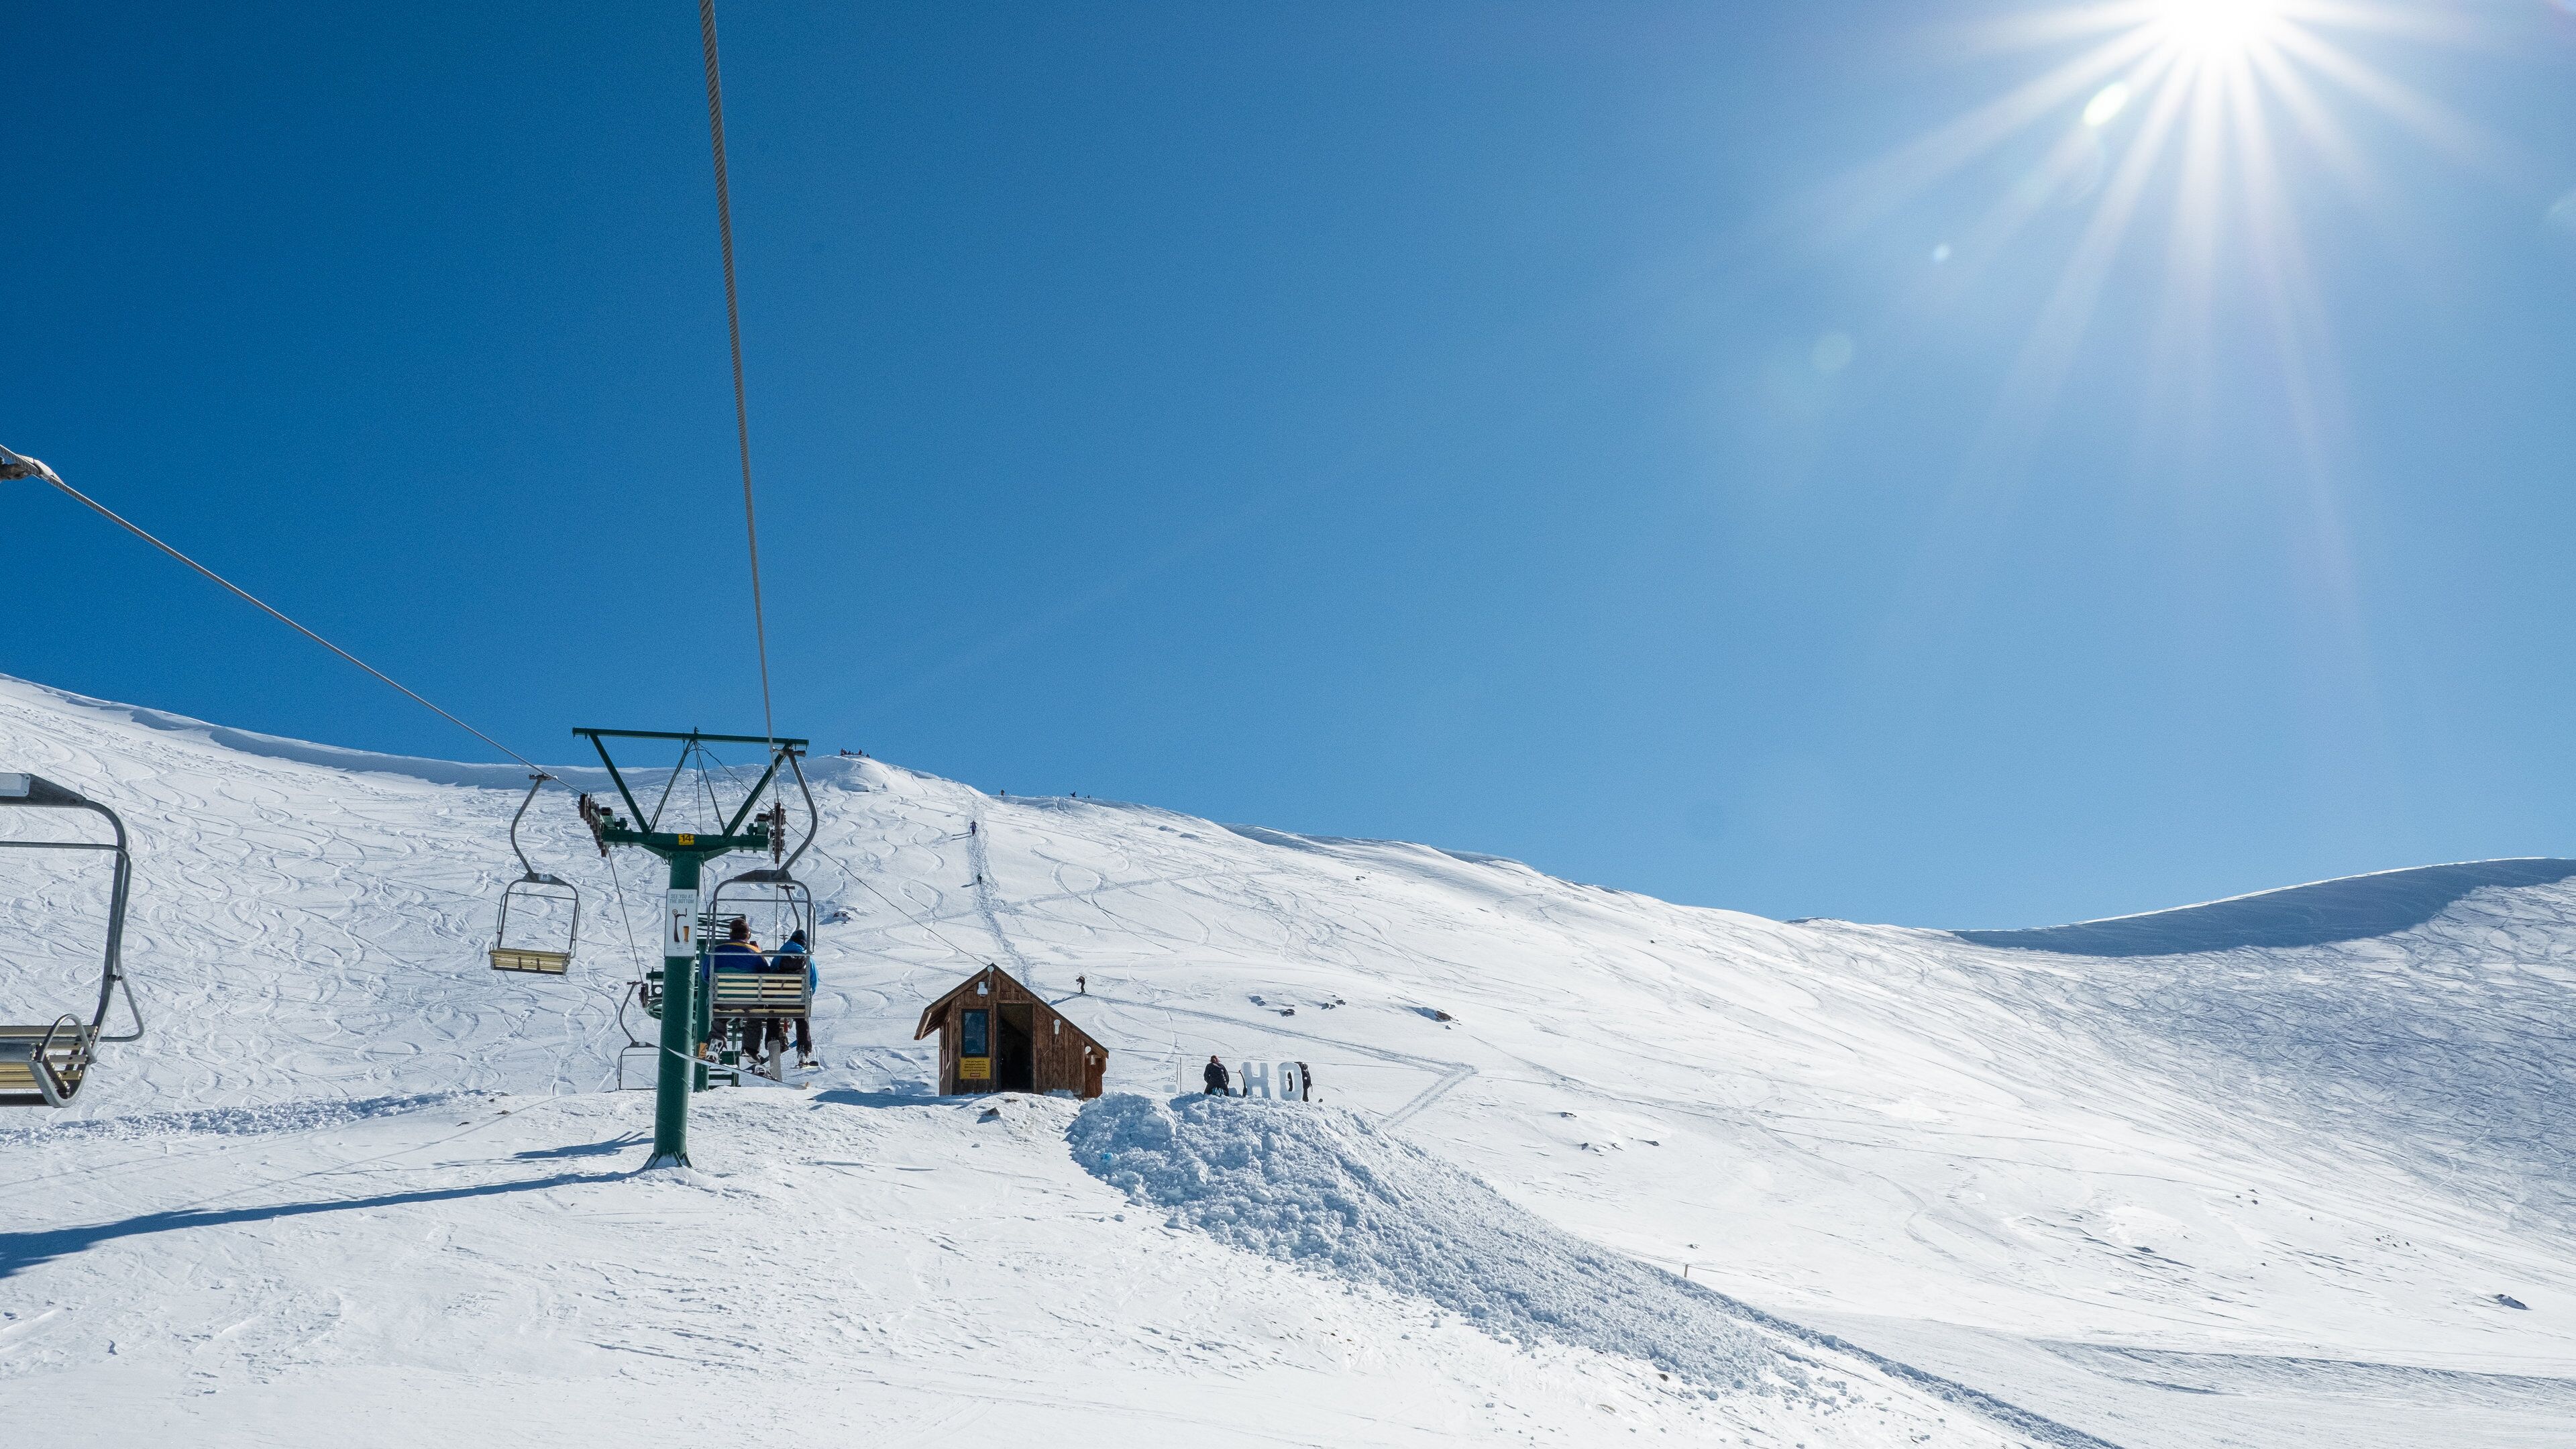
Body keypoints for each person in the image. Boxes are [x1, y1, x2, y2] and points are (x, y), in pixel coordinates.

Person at [706, 918, 769, 1067]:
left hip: (722, 1000)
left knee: (719, 1016)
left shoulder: (716, 951)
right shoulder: (754, 952)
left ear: (731, 934)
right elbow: (766, 974)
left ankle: (716, 1042)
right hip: (750, 1001)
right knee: (755, 1016)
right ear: (748, 935)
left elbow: (705, 975)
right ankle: (750, 1049)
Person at [773, 927, 816, 1071]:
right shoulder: (807, 959)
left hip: (779, 1001)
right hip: (798, 1000)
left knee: (772, 1015)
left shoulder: (779, 957)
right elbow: (813, 981)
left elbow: (771, 974)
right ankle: (803, 1049)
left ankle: (774, 1041)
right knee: (802, 1019)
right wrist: (808, 996)